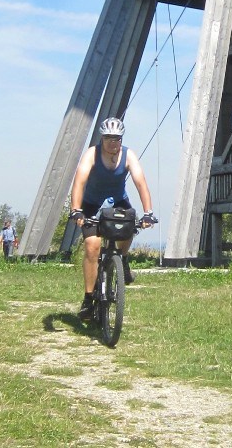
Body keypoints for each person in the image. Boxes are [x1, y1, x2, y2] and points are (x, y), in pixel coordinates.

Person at [69, 117, 156, 320]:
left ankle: (122, 260)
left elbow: (140, 182)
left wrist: (148, 213)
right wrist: (76, 210)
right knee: (92, 246)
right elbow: (79, 181)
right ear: (102, 138)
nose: (112, 143)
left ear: (121, 139)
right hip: (91, 204)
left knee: (131, 223)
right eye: (108, 138)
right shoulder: (92, 154)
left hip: (117, 201)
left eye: (116, 139)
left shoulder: (128, 155)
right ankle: (88, 299)